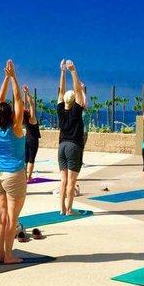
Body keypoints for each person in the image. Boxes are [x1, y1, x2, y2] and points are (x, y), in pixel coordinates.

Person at [0, 60, 26, 264]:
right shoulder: (16, 129)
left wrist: (5, 77)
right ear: (11, 115)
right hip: (14, 174)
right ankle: (9, 256)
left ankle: (1, 255)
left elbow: (0, 100)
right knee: (12, 218)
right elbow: (19, 101)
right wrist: (13, 76)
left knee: (1, 217)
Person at [57, 59, 85, 214]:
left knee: (63, 180)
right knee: (71, 182)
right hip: (73, 146)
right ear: (75, 100)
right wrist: (73, 71)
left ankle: (61, 209)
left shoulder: (61, 109)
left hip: (61, 147)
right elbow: (79, 91)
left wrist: (62, 72)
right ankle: (69, 209)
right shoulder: (76, 110)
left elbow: (61, 91)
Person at [22, 85, 41, 181]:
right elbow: (32, 105)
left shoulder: (25, 119)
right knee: (31, 159)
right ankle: (29, 177)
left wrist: (25, 94)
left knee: (25, 159)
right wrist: (28, 93)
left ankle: (24, 175)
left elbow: (25, 107)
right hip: (33, 140)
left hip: (26, 139)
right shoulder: (32, 119)